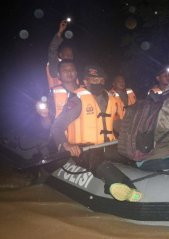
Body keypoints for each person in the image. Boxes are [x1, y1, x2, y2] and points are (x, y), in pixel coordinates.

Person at [51, 65, 142, 202]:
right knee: (94, 157)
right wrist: (66, 144)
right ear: (85, 81)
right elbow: (57, 126)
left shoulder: (111, 99)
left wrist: (131, 135)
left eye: (100, 79)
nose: (97, 82)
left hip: (108, 145)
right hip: (84, 148)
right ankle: (123, 186)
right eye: (92, 79)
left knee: (130, 152)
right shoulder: (77, 100)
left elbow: (115, 123)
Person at [37, 60, 79, 128]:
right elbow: (46, 125)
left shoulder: (87, 93)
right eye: (65, 70)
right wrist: (45, 116)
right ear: (59, 76)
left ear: (76, 73)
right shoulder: (52, 96)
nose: (69, 72)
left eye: (72, 69)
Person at [46, 20, 74, 91]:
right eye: (67, 54)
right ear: (60, 55)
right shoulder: (56, 65)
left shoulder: (73, 67)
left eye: (71, 55)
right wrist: (60, 32)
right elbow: (52, 49)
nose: (69, 56)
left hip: (73, 98)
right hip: (58, 98)